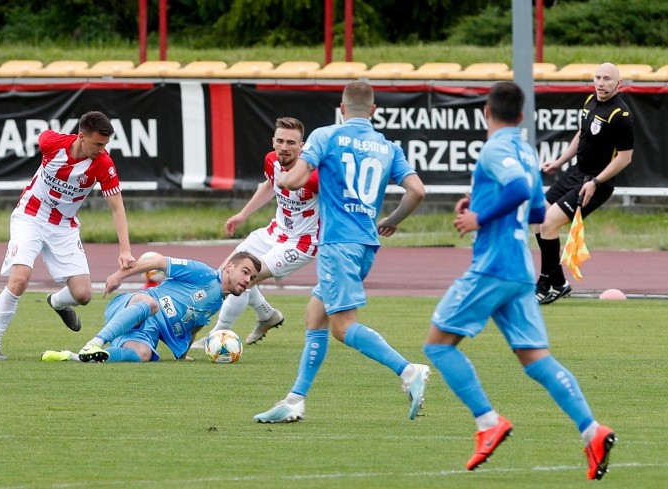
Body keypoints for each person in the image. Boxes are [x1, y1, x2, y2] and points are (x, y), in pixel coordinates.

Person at [423, 81, 616, 480]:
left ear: (486, 113)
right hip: (520, 272)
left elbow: (513, 191)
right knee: (535, 359)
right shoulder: (527, 152)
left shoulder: (495, 148)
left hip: (494, 267)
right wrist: (480, 206)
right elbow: (533, 213)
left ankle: (487, 422)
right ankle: (592, 431)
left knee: (438, 345)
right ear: (522, 117)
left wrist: (479, 217)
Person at [253, 81, 429, 424]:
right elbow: (417, 191)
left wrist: (287, 178)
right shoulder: (387, 146)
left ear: (342, 108)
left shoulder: (325, 136)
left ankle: (409, 371)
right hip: (365, 243)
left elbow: (291, 180)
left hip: (337, 244)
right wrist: (391, 219)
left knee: (343, 327)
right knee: (315, 316)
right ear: (374, 111)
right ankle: (294, 400)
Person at [0, 111, 136, 361]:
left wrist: (125, 250)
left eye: (106, 144)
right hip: (30, 215)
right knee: (20, 279)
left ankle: (56, 302)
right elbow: (41, 137)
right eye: (98, 144)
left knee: (83, 295)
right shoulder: (51, 143)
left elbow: (117, 207)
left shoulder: (104, 164)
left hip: (64, 226)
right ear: (81, 136)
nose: (102, 150)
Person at [191, 117, 319, 348]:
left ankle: (218, 335)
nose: (284, 147)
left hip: (301, 243)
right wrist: (243, 214)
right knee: (224, 274)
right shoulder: (272, 160)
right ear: (273, 141)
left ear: (302, 146)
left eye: (291, 142)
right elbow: (271, 184)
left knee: (239, 280)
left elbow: (338, 203)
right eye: (280, 141)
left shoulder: (314, 175)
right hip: (274, 231)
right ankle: (267, 315)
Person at [41, 251, 261, 363]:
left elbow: (194, 326)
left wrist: (182, 354)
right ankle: (94, 343)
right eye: (245, 272)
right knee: (151, 303)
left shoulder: (217, 301)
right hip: (134, 304)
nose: (247, 279)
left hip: (148, 331)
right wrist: (119, 275)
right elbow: (157, 261)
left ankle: (74, 357)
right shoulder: (203, 272)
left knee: (143, 354)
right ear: (230, 266)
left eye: (252, 277)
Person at [535, 62, 635, 304]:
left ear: (618, 84)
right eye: (598, 77)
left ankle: (544, 284)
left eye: (607, 79)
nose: (601, 83)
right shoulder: (590, 101)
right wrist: (559, 161)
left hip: (596, 183)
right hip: (576, 173)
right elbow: (582, 134)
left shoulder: (621, 115)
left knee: (549, 224)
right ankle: (558, 283)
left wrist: (596, 182)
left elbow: (625, 158)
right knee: (538, 218)